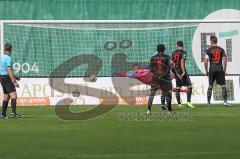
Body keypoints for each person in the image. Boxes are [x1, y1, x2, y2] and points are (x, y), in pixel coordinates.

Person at [147, 44, 178, 115]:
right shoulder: (167, 57)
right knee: (168, 93)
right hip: (165, 78)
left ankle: (148, 110)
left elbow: (151, 70)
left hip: (155, 77)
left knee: (152, 93)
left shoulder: (153, 58)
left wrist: (156, 74)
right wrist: (176, 74)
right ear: (164, 49)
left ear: (157, 50)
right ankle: (169, 111)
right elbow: (172, 67)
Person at [204, 36, 231, 106]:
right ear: (216, 41)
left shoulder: (208, 50)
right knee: (223, 85)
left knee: (210, 85)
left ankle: (208, 103)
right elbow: (225, 60)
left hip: (212, 69)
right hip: (219, 68)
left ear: (211, 41)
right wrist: (224, 70)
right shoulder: (221, 49)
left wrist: (206, 71)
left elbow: (206, 61)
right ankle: (225, 102)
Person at [0, 43, 21, 118]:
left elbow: (4, 70)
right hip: (6, 78)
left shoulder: (2, 57)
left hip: (2, 77)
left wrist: (15, 77)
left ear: (5, 49)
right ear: (10, 49)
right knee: (14, 96)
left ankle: (3, 114)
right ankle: (14, 113)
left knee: (6, 96)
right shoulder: (8, 58)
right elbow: (8, 70)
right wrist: (14, 81)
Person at [172, 41, 194, 108]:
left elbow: (173, 63)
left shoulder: (173, 53)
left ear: (177, 45)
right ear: (182, 45)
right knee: (189, 86)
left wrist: (176, 72)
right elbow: (182, 61)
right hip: (182, 70)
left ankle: (179, 104)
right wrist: (183, 71)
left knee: (178, 87)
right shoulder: (184, 52)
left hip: (176, 71)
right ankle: (189, 103)